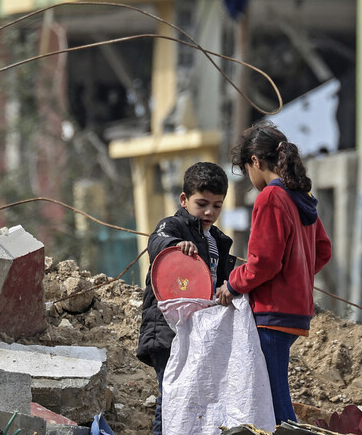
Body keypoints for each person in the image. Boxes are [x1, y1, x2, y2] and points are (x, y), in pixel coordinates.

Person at [215, 121, 332, 425]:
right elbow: (322, 250)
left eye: (246, 170)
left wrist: (232, 284)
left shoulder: (270, 197)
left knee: (275, 400)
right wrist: (296, 276)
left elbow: (264, 262)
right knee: (272, 394)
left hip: (272, 313)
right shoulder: (300, 196)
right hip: (296, 311)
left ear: (255, 161)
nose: (250, 178)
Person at [136, 161, 237, 435]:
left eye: (217, 205)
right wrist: (175, 245)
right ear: (184, 199)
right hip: (168, 332)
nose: (209, 212)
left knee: (192, 398)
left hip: (198, 332)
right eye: (201, 203)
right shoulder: (172, 226)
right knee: (171, 397)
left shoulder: (218, 240)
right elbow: (157, 242)